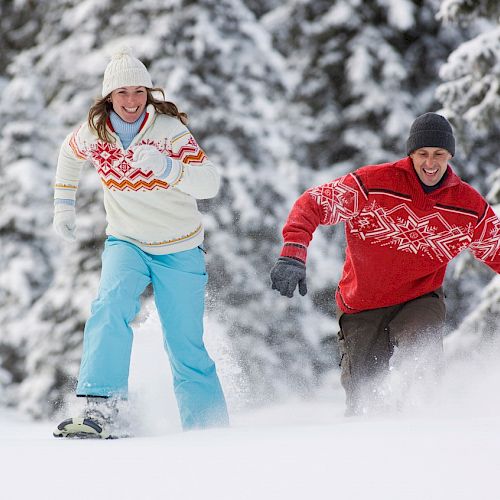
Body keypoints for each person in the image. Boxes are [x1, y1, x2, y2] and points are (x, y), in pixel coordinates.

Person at [270, 112, 500, 415]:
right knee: (364, 397)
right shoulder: (372, 185)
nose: (430, 163)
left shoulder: (467, 207)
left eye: (439, 154)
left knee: (421, 359)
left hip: (420, 297)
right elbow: (313, 203)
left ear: (450, 156)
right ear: (411, 154)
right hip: (362, 302)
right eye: (423, 154)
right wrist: (292, 253)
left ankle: (422, 422)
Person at [52, 48, 229, 437]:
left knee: (185, 344)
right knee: (109, 306)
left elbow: (210, 183)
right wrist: (64, 207)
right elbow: (68, 155)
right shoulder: (95, 134)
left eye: (138, 91)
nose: (131, 101)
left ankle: (208, 430)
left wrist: (168, 167)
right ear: (108, 98)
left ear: (148, 93)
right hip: (126, 241)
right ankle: (102, 409)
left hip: (179, 246)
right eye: (122, 93)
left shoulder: (170, 132)